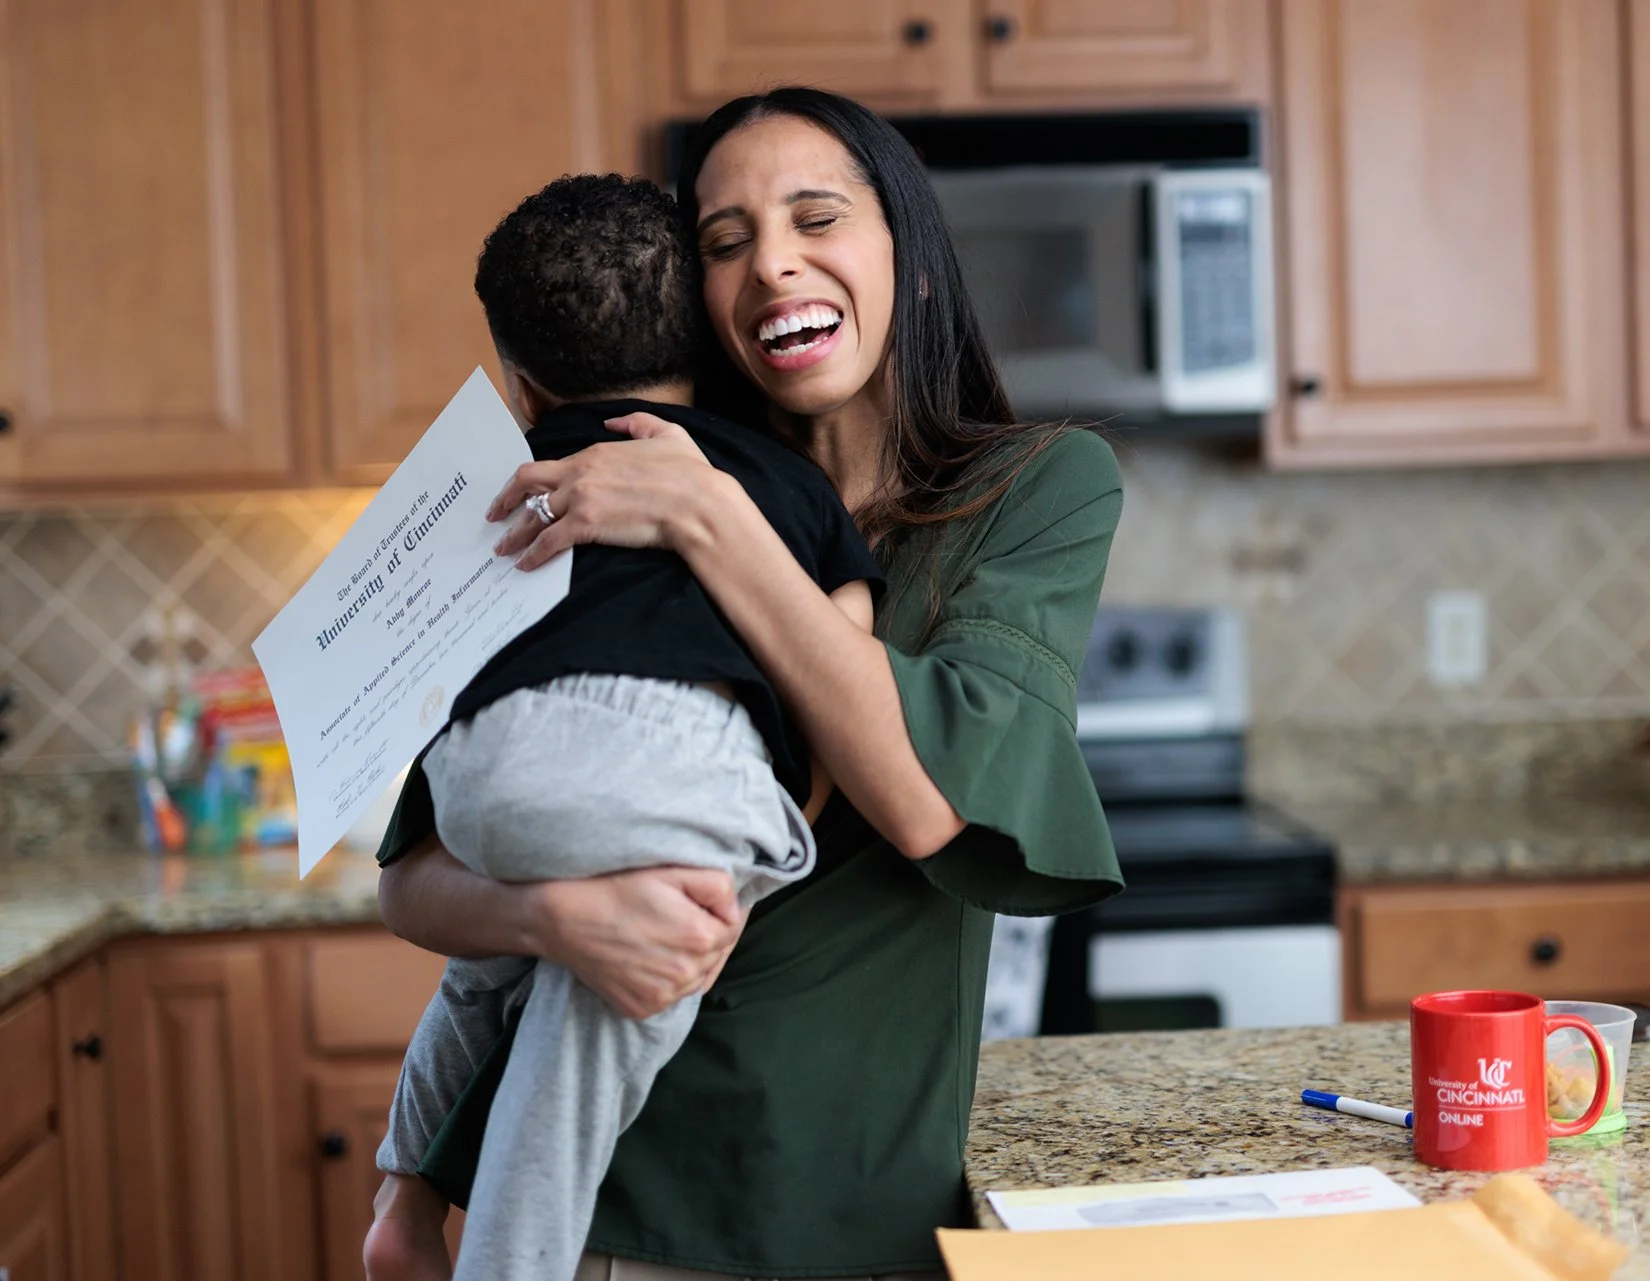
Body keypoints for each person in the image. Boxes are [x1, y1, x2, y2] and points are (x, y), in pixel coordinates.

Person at [366, 87, 1125, 1281]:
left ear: (909, 258)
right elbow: (413, 879)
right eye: (725, 243)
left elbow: (927, 800)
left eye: (816, 218)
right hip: (612, 1203)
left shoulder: (1037, 491)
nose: (774, 266)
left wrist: (714, 516)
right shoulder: (603, 494)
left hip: (856, 1191)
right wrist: (553, 918)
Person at [371, 172, 882, 1281]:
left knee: (509, 957)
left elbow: (405, 785)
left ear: (519, 386)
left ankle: (399, 1208)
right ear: (705, 341)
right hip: (672, 767)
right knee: (601, 1025)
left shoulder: (491, 496)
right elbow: (844, 669)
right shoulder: (780, 483)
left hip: (488, 779)